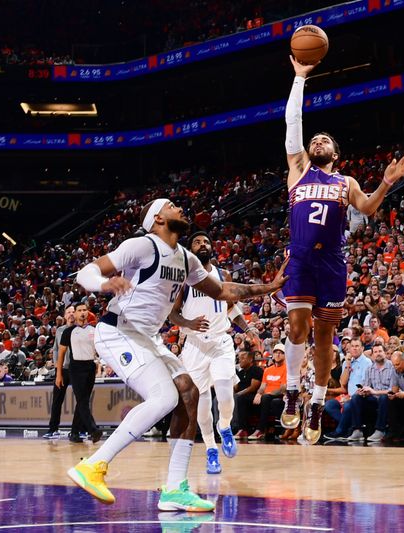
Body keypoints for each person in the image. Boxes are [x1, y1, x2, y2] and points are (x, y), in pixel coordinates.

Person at [68, 198, 287, 510]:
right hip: (118, 331)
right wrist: (105, 283)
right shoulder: (142, 246)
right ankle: (93, 465)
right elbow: (84, 273)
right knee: (165, 398)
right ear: (157, 218)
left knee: (189, 392)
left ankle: (174, 489)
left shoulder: (186, 258)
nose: (180, 208)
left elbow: (223, 291)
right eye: (171, 206)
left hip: (148, 338)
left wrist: (269, 287)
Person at [279, 56, 404, 445]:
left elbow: (368, 208)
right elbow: (293, 124)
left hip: (333, 263)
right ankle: (292, 392)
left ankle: (317, 402)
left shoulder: (346, 181)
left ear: (335, 154)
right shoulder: (299, 171)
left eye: (325, 140)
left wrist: (386, 183)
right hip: (301, 259)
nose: (316, 140)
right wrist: (299, 79)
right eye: (313, 140)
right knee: (296, 328)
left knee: (324, 338)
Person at [171, 231, 260, 474]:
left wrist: (248, 327)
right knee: (200, 403)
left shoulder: (223, 275)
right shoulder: (183, 280)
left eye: (206, 241)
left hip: (221, 341)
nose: (202, 244)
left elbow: (231, 309)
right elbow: (172, 314)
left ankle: (224, 427)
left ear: (212, 248)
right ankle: (211, 449)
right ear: (190, 250)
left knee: (225, 393)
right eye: (197, 242)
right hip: (195, 345)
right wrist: (188, 324)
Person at [56, 302, 101, 444]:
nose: (82, 312)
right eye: (79, 310)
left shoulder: (94, 330)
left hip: (90, 366)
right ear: (74, 314)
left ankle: (74, 433)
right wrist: (59, 374)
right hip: (75, 367)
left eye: (84, 310)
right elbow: (61, 353)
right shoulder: (68, 332)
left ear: (88, 312)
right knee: (82, 400)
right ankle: (93, 430)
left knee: (84, 401)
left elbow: (99, 351)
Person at [44, 306, 75, 439]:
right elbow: (56, 349)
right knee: (57, 400)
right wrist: (58, 367)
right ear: (64, 315)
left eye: (73, 312)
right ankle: (53, 429)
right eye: (68, 312)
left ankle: (80, 430)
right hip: (62, 370)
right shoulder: (60, 330)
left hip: (77, 369)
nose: (71, 314)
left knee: (81, 400)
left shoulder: (81, 330)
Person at [247, 344, 288, 440]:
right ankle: (242, 429)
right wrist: (258, 394)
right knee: (244, 399)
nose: (278, 355)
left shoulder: (286, 369)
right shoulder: (267, 370)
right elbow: (262, 386)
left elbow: (282, 389)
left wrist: (267, 394)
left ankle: (260, 430)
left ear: (285, 356)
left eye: (281, 353)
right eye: (276, 352)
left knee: (266, 398)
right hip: (266, 396)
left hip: (278, 396)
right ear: (273, 355)